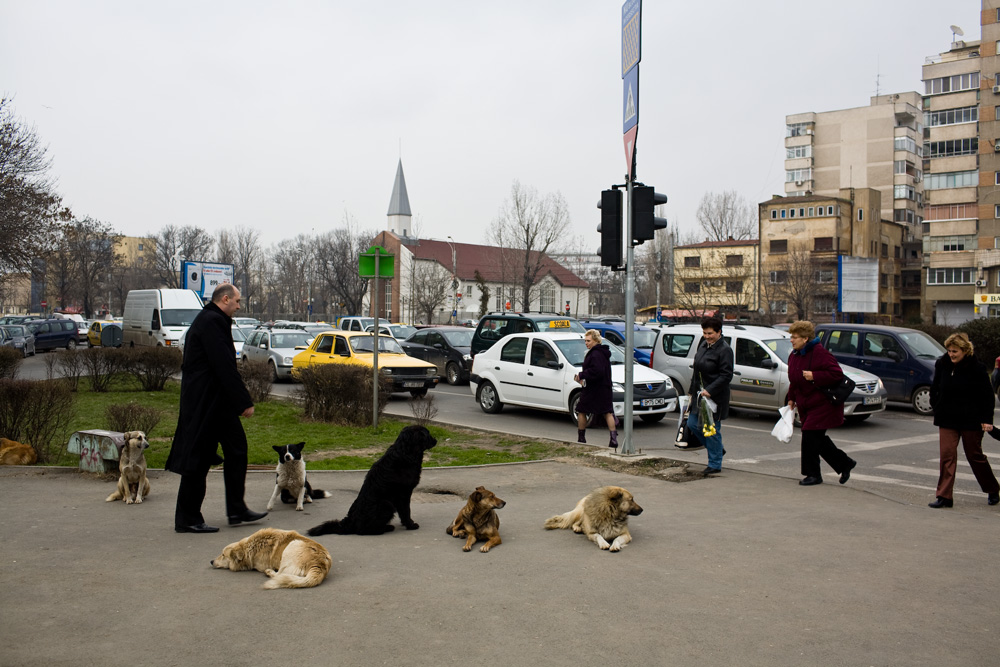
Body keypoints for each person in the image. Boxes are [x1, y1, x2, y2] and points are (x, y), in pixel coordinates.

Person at [166, 284, 268, 533]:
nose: (239, 306)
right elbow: (223, 365)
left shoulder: (211, 319)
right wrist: (243, 401)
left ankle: (236, 509)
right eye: (237, 301)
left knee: (237, 449)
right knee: (198, 460)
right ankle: (187, 518)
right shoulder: (212, 321)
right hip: (206, 404)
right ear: (225, 299)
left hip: (215, 402)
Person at [927, 332, 1000, 509]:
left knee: (975, 456)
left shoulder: (977, 368)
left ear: (965, 350)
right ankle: (944, 496)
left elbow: (987, 396)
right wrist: (936, 405)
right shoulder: (942, 364)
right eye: (949, 351)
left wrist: (986, 419)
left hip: (971, 420)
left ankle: (992, 489)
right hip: (947, 419)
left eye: (955, 351)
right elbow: (935, 387)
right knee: (947, 456)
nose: (951, 354)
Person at [786, 320, 856, 486]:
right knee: (816, 439)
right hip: (806, 404)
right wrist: (791, 398)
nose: (791, 340)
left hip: (822, 403)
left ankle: (813, 475)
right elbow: (794, 380)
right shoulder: (794, 355)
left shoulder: (820, 353)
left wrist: (815, 376)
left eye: (795, 337)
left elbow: (836, 374)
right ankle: (845, 463)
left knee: (810, 436)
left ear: (805, 339)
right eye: (791, 336)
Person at [683, 316, 733, 476]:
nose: (707, 336)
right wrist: (692, 390)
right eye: (704, 333)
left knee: (711, 430)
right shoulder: (703, 345)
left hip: (714, 397)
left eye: (710, 333)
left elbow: (726, 375)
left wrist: (710, 390)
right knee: (692, 424)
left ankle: (715, 463)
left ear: (719, 332)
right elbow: (696, 371)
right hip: (699, 395)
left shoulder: (725, 350)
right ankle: (717, 449)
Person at [574, 329, 618, 450]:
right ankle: (613, 439)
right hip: (605, 387)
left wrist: (582, 375)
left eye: (588, 341)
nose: (586, 343)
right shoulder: (603, 352)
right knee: (608, 412)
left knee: (581, 410)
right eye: (585, 341)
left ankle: (581, 438)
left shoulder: (595, 354)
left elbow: (597, 371)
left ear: (595, 340)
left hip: (594, 388)